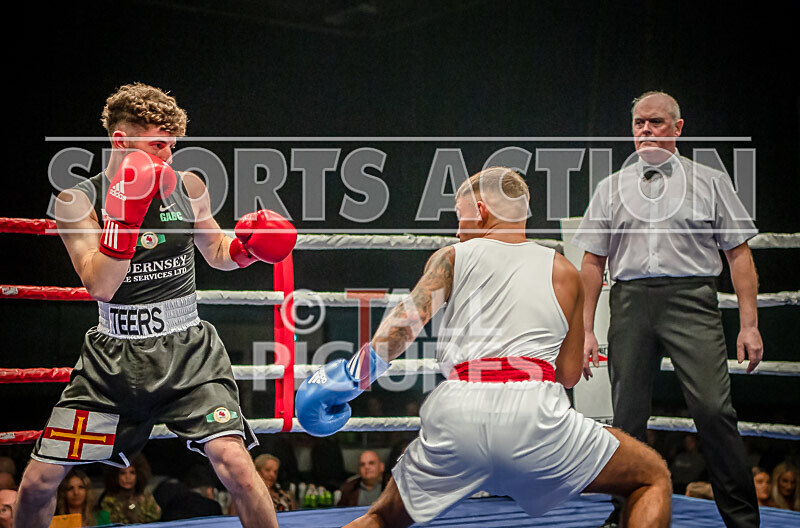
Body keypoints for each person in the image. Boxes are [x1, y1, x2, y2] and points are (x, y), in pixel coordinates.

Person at [295, 167, 672, 527]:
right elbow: (569, 375)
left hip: (459, 413)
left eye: (460, 217)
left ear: (480, 211)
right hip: (537, 418)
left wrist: (353, 376)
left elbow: (403, 325)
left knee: (382, 518)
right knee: (651, 476)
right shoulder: (565, 272)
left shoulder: (453, 257)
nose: (458, 232)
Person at [15, 82, 296, 528]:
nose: (168, 157)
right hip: (112, 365)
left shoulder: (188, 185)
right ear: (121, 140)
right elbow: (101, 285)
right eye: (159, 145)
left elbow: (217, 252)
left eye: (173, 146)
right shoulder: (77, 201)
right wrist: (124, 217)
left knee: (237, 464)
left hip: (188, 355)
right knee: (37, 483)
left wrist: (248, 248)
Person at [573, 91, 763, 528]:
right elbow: (592, 261)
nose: (645, 131)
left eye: (655, 122)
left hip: (691, 299)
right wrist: (585, 331)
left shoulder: (710, 181)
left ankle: (743, 521)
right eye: (639, 123)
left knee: (714, 410)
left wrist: (749, 325)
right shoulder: (611, 187)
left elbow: (739, 254)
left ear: (678, 128)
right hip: (630, 300)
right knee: (627, 419)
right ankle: (624, 515)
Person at [99, 455, 160, 524]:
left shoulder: (146, 497)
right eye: (123, 473)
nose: (128, 477)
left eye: (132, 472)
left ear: (139, 475)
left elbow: (156, 517)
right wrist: (131, 506)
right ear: (115, 476)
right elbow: (112, 522)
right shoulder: (109, 501)